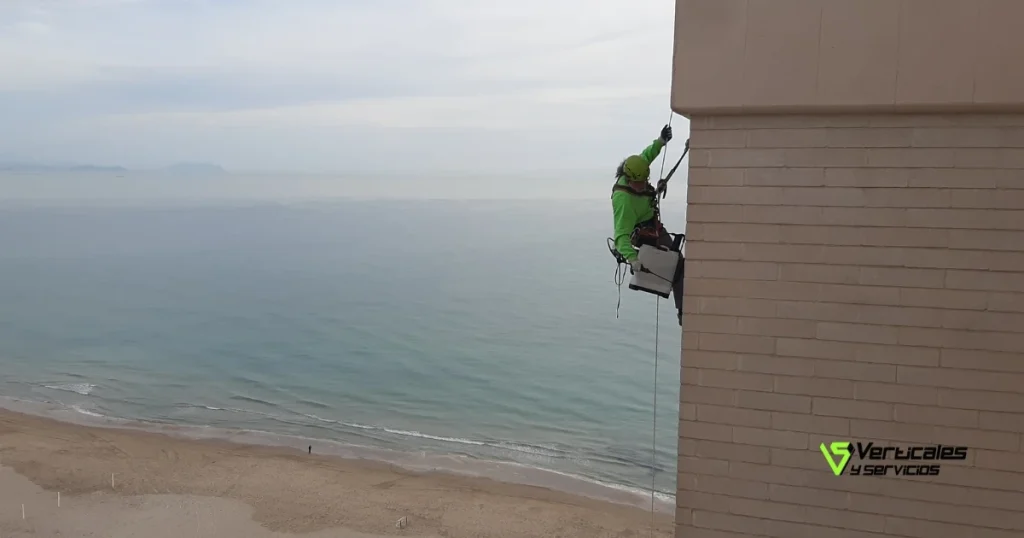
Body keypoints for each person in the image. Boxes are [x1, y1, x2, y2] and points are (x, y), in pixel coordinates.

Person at [610, 124, 685, 326]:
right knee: (674, 264)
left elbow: (647, 154)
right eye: (640, 183)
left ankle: (683, 310)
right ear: (629, 179)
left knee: (679, 263)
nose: (644, 186)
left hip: (653, 225)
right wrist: (633, 259)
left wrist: (661, 140)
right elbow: (620, 237)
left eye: (645, 181)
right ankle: (684, 313)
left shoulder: (637, 167)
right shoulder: (623, 201)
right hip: (642, 233)